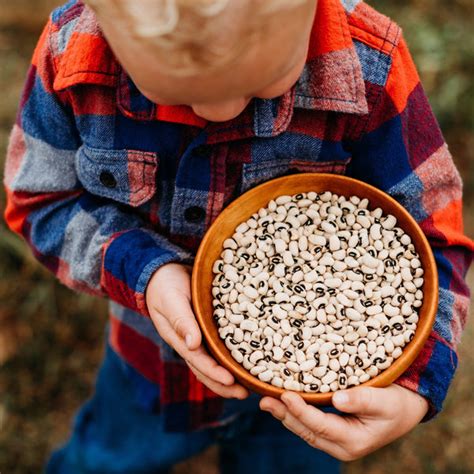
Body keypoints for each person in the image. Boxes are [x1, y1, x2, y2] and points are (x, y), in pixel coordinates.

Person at [4, 0, 472, 472]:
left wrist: (415, 388)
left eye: (263, 82)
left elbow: (435, 239)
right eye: (174, 92)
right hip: (148, 362)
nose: (220, 109)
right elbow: (41, 201)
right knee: (107, 458)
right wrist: (147, 270)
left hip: (314, 401)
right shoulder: (72, 57)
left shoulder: (371, 66)